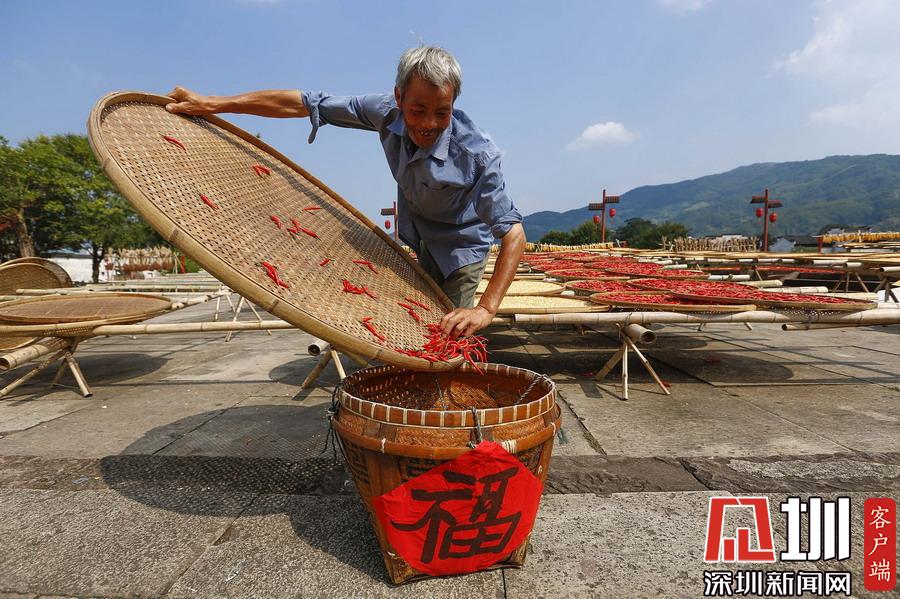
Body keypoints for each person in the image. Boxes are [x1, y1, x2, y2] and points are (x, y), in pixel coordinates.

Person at [166, 46, 525, 339]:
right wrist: (214, 104)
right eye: (418, 111)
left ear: (453, 105)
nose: (429, 124)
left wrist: (485, 309)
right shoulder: (385, 112)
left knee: (451, 334)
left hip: (462, 247)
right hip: (420, 237)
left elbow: (513, 235)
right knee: (417, 325)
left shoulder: (476, 154)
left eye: (442, 113)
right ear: (399, 97)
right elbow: (305, 103)